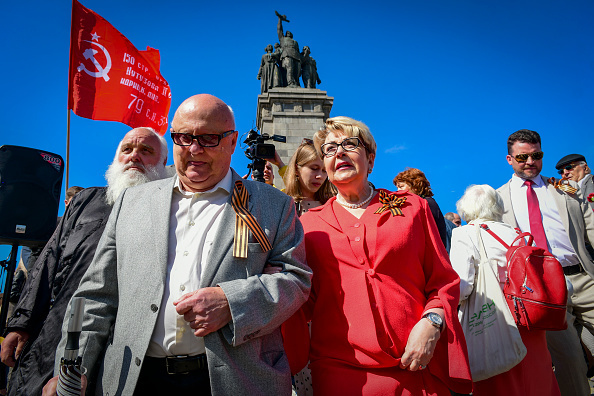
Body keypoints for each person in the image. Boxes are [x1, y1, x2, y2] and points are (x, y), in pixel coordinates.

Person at [43, 94, 311, 396]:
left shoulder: (273, 205)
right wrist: (72, 367)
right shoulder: (132, 202)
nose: (194, 149)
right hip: (135, 380)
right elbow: (96, 295)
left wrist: (232, 303)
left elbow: (295, 280)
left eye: (208, 138)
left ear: (233, 142)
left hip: (236, 380)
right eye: (184, 137)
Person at [282, 116, 472, 395]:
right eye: (330, 149)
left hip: (418, 365)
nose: (340, 153)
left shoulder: (412, 207)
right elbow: (303, 301)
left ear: (370, 159)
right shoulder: (308, 225)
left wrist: (432, 323)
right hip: (341, 374)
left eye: (350, 144)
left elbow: (443, 280)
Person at [1, 128, 168, 396]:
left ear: (162, 164)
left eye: (146, 151)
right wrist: (21, 323)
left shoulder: (170, 213)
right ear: (115, 159)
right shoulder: (85, 200)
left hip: (124, 351)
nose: (134, 156)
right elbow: (48, 261)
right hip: (54, 334)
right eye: (127, 150)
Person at [497, 129, 594, 396]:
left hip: (584, 277)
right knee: (570, 361)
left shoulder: (563, 190)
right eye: (522, 157)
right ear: (509, 159)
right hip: (541, 291)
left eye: (536, 155)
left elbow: (591, 227)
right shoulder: (498, 198)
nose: (530, 161)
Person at [450, 184, 561, 395]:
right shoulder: (516, 233)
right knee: (538, 378)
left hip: (493, 321)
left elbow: (463, 286)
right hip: (529, 318)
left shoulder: (464, 234)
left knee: (502, 383)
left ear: (467, 210)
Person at [394, 168, 449, 249]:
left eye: (401, 186)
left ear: (415, 186)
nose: (398, 191)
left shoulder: (427, 204)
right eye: (397, 187)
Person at [282, 138, 335, 216]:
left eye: (324, 171)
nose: (320, 176)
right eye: (314, 168)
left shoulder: (333, 203)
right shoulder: (283, 205)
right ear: (297, 169)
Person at [277, 12, 301, 87]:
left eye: (289, 32)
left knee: (297, 72)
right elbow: (279, 30)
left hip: (296, 56)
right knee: (289, 69)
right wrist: (280, 20)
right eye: (287, 32)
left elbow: (298, 50)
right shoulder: (282, 39)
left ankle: (295, 83)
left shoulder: (295, 42)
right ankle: (290, 83)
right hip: (287, 54)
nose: (288, 32)